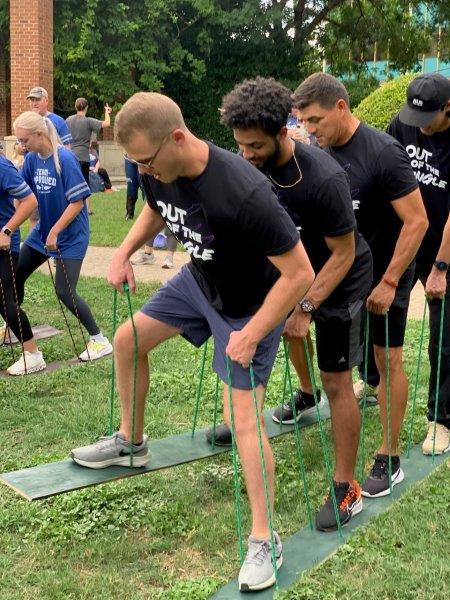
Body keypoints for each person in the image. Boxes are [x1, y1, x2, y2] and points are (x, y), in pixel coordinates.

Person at [70, 91, 315, 592]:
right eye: (137, 163)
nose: (143, 171)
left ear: (178, 138)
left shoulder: (243, 190)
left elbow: (300, 273)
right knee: (127, 340)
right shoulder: (156, 167)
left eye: (147, 161)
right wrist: (122, 252)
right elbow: (157, 209)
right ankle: (131, 441)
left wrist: (251, 333)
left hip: (249, 305)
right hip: (199, 283)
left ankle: (264, 538)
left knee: (243, 419)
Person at [214, 77, 373, 530]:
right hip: (291, 272)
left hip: (338, 277)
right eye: (240, 145)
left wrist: (305, 308)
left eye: (256, 146)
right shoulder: (249, 165)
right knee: (280, 332)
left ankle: (346, 485)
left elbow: (343, 253)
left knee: (337, 381)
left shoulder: (324, 177)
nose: (247, 154)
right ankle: (304, 394)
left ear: (283, 132)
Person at [293, 73, 428, 498]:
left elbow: (417, 221)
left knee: (387, 358)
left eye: (315, 120)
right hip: (343, 271)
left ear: (341, 107)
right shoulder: (319, 152)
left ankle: (389, 457)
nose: (309, 130)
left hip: (386, 272)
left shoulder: (383, 152)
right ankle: (313, 395)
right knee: (341, 357)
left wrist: (390, 281)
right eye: (303, 121)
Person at [10, 111, 112, 375]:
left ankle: (99, 340)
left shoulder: (64, 159)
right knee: (15, 274)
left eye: (24, 140)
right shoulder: (32, 159)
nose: (21, 145)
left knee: (65, 291)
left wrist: (55, 232)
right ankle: (14, 326)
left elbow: (77, 202)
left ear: (39, 134)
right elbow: (22, 193)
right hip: (43, 233)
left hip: (71, 236)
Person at [387, 72, 450, 455]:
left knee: (444, 339)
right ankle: (371, 381)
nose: (419, 126)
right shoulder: (402, 124)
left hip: (444, 245)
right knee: (380, 308)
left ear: (448, 108)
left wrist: (440, 268)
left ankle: (441, 421)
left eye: (428, 118)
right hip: (405, 238)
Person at [0, 153, 42, 371]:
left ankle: (33, 354)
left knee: (4, 301)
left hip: (4, 245)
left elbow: (30, 201)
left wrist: (7, 230)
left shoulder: (2, 167)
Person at [66, 98, 112, 185]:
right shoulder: (88, 121)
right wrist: (107, 112)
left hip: (71, 157)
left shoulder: (68, 120)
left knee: (72, 185)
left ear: (75, 107)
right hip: (83, 158)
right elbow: (107, 123)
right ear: (86, 107)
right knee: (84, 186)